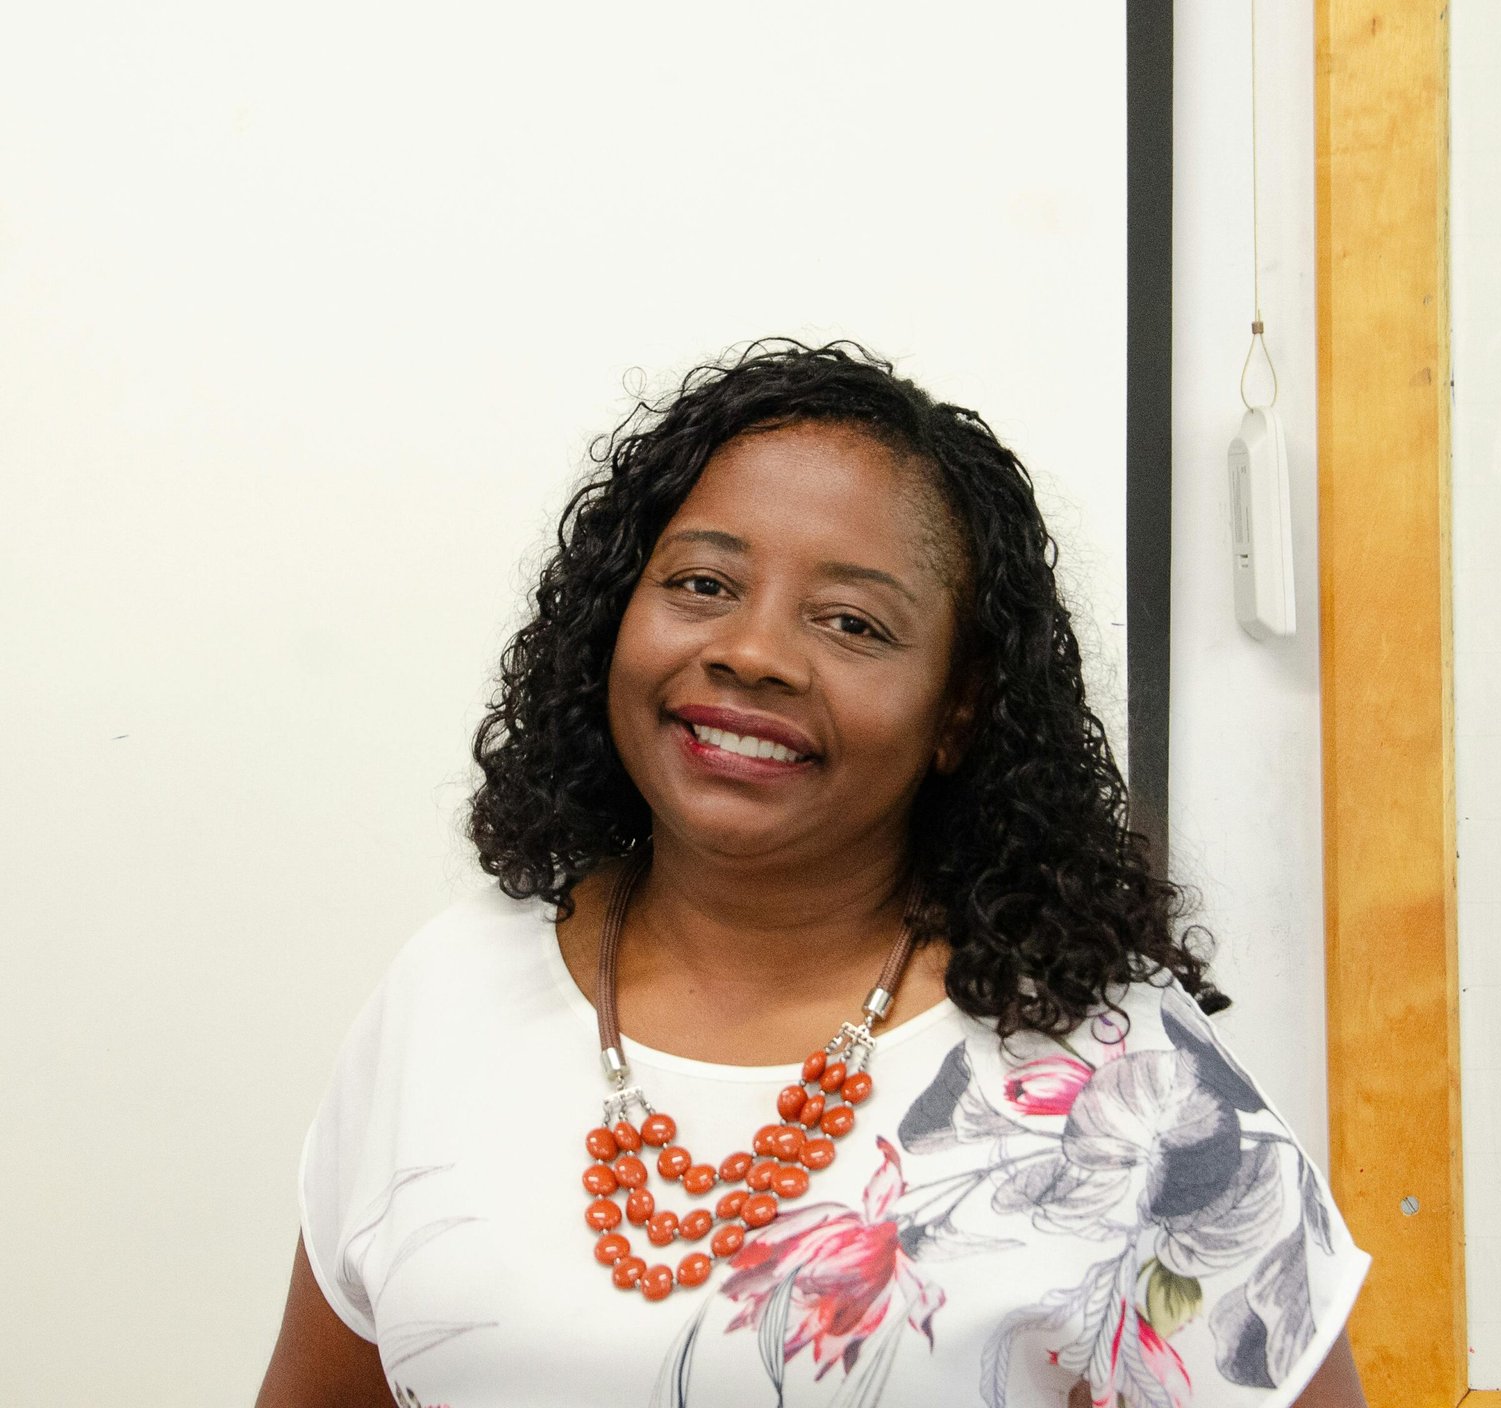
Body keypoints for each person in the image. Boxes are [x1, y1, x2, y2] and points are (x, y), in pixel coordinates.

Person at [257, 340, 1371, 1408]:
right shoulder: (450, 986)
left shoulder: (1119, 1072)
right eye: (700, 583)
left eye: (850, 621)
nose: (750, 652)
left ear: (959, 707)